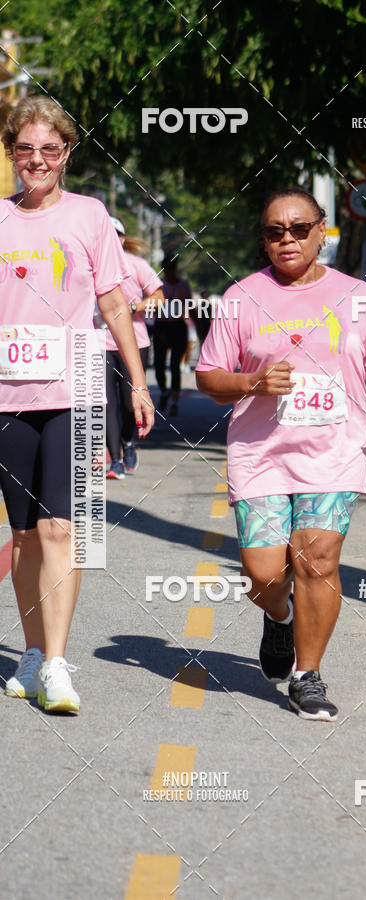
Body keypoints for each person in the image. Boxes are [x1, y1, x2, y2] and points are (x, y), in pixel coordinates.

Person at [195, 188, 366, 721]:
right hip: (261, 453)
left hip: (333, 448)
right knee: (265, 574)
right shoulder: (241, 297)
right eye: (275, 231)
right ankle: (278, 619)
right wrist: (252, 382)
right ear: (264, 238)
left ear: (322, 231)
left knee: (317, 560)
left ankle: (308, 673)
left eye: (300, 228)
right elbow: (208, 376)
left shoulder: (355, 295)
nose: (288, 239)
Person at [0, 94, 154, 713]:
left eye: (49, 149)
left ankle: (58, 664)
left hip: (76, 392)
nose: (36, 160)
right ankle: (32, 654)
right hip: (7, 394)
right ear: (12, 152)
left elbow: (115, 304)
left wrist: (137, 382)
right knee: (24, 536)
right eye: (25, 148)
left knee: (64, 527)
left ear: (66, 154)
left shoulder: (90, 216)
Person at [104, 217, 164, 479]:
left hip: (134, 343)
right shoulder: (89, 265)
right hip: (100, 344)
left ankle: (129, 443)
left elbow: (159, 299)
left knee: (130, 405)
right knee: (106, 404)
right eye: (107, 234)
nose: (112, 239)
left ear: (123, 239)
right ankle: (115, 460)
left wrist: (132, 308)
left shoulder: (136, 265)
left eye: (117, 234)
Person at [153, 256, 192, 415]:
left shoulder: (183, 285)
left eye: (172, 267)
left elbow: (190, 307)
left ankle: (175, 402)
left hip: (177, 327)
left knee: (175, 365)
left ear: (175, 268)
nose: (169, 271)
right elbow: (152, 306)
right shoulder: (158, 285)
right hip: (161, 326)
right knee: (159, 365)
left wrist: (202, 329)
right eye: (166, 267)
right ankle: (163, 391)